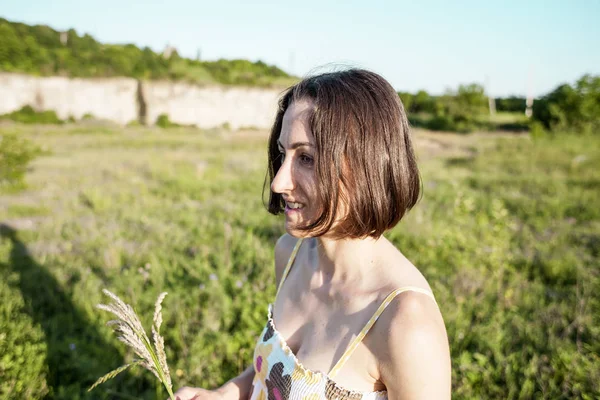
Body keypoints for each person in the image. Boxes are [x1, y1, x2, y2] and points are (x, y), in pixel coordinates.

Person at [173, 69, 451, 400]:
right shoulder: (289, 254)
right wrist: (225, 394)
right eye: (283, 153)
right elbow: (274, 377)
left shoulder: (406, 324)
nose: (278, 183)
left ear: (366, 165)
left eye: (306, 158)